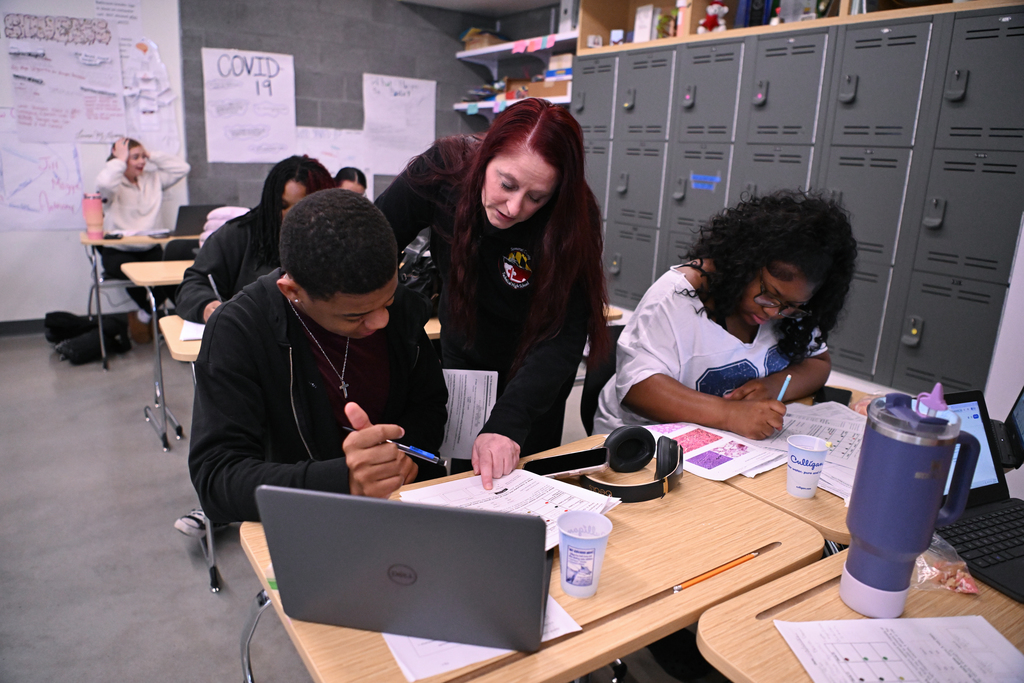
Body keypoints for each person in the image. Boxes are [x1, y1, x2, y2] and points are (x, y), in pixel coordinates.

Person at [375, 98, 609, 489]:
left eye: (537, 197)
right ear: (486, 156)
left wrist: (509, 424)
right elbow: (372, 240)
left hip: (535, 366)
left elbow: (562, 335)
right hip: (466, 348)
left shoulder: (572, 217)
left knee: (523, 479)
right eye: (507, 184)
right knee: (468, 478)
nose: (515, 207)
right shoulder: (443, 169)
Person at [187, 189, 448, 523]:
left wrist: (396, 455)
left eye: (388, 301)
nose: (380, 321)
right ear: (292, 291)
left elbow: (430, 406)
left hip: (402, 506)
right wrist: (342, 481)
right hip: (307, 521)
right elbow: (217, 479)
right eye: (355, 316)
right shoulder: (240, 329)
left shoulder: (401, 312)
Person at [593, 190, 857, 439]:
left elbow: (818, 363)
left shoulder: (794, 312)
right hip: (641, 442)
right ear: (745, 263)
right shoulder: (679, 294)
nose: (774, 311)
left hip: (723, 443)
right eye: (769, 293)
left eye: (789, 305)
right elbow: (637, 388)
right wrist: (729, 414)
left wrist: (772, 386)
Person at [175, 156, 335, 323]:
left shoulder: (336, 238)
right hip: (253, 336)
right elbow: (193, 284)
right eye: (281, 206)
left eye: (302, 207)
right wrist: (207, 306)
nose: (290, 216)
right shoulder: (238, 235)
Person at [94, 137, 190, 341]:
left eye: (142, 156)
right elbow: (103, 182)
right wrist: (119, 160)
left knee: (172, 278)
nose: (141, 162)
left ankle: (148, 315)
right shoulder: (112, 186)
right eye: (134, 157)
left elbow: (182, 168)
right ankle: (152, 313)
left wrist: (151, 155)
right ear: (120, 159)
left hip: (149, 248)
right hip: (118, 250)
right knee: (133, 276)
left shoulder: (153, 179)